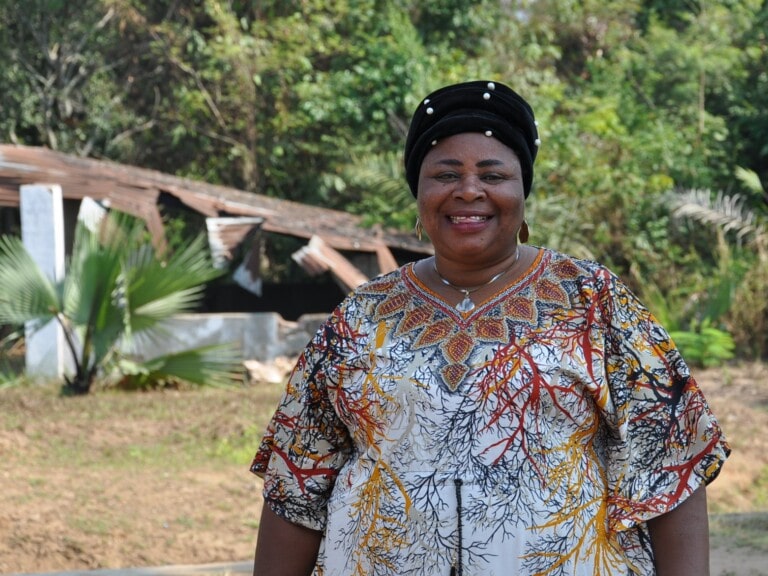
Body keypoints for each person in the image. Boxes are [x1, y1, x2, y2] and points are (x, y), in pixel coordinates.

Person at [249, 80, 730, 575]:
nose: (468, 190)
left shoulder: (591, 299)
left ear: (523, 190)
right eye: (445, 174)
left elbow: (673, 461)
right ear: (419, 191)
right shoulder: (360, 316)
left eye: (493, 174)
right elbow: (295, 484)